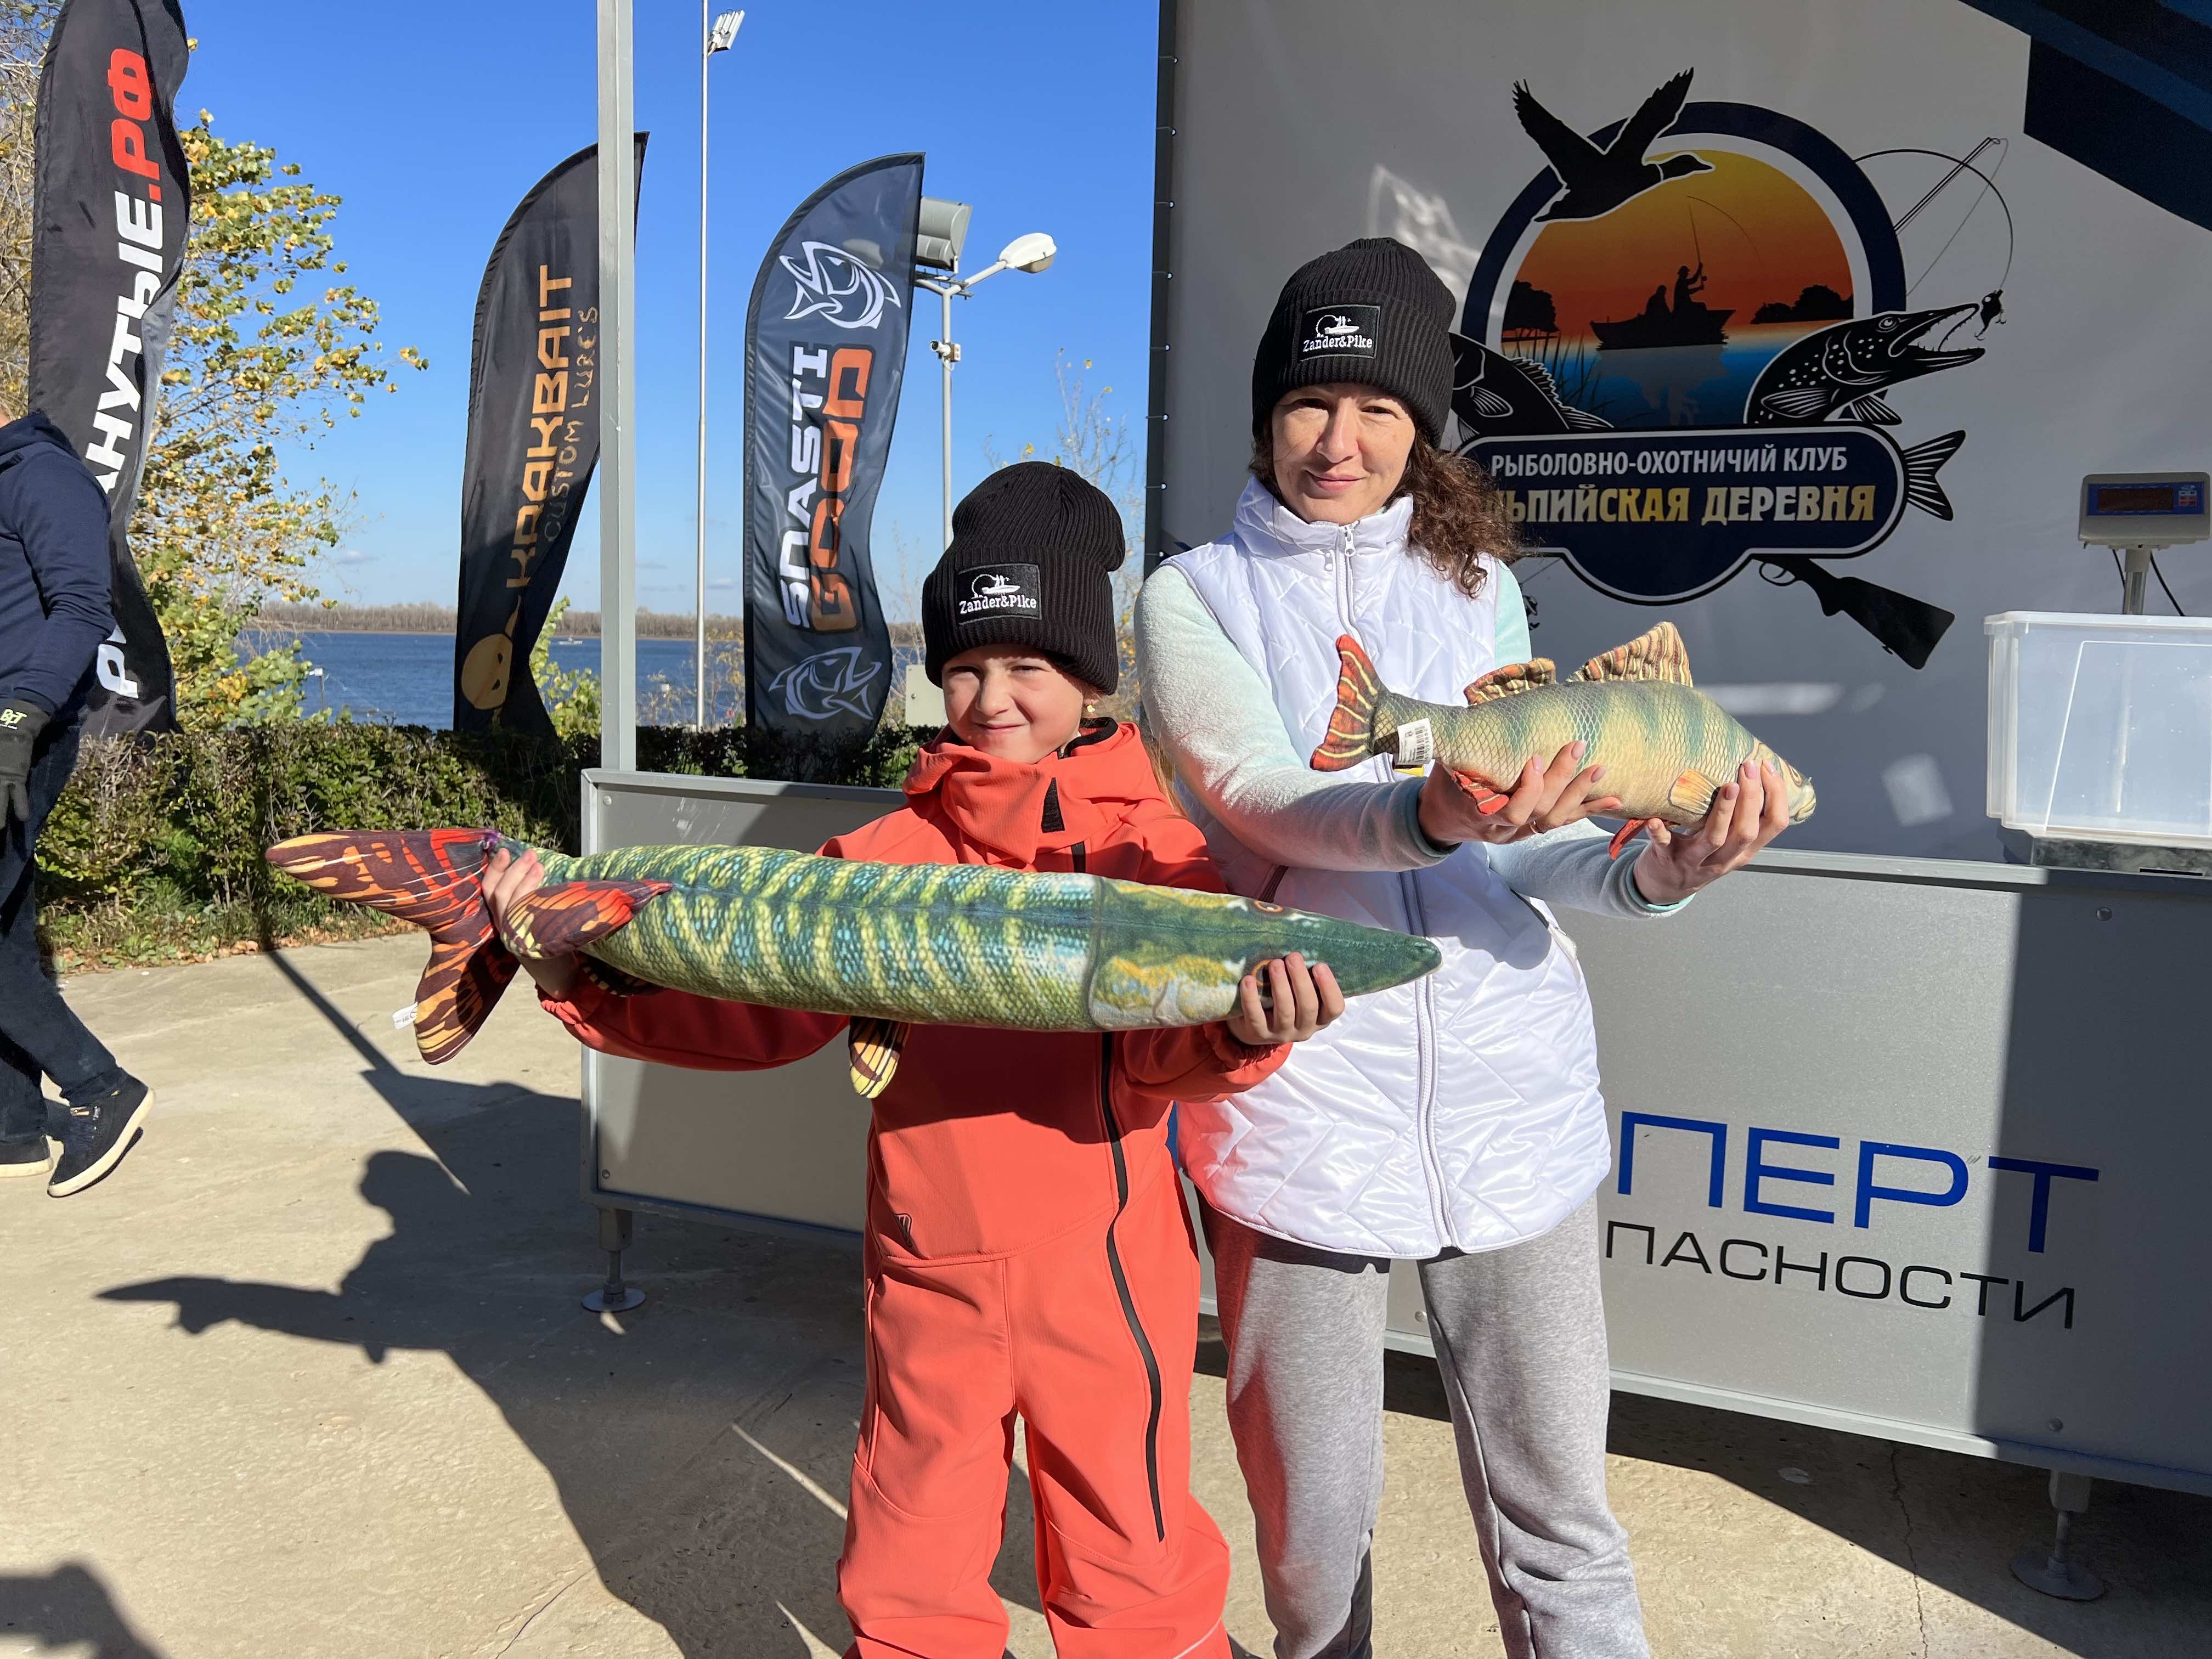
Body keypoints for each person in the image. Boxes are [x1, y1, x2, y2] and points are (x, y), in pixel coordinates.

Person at [484, 462, 1345, 1659]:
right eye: (965, 667)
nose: (992, 698)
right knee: (910, 1548)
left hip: (1107, 1270)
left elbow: (1161, 1058)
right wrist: (576, 976)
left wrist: (1241, 1033)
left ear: (1090, 677)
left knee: (1132, 1548)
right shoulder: (881, 854)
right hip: (927, 1263)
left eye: (1027, 665)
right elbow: (756, 1016)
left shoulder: (1155, 857)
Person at [1135, 238, 1792, 1659]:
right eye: (1309, 402)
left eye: (1377, 407)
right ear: (1264, 417)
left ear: (1420, 427)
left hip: (1517, 1096)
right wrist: (1426, 810)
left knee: (1564, 1520)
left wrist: (1654, 868)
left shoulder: (1479, 583)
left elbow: (1519, 847)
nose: (1338, 440)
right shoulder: (1192, 594)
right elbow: (1257, 793)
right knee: (1313, 1543)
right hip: (1302, 1094)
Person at [0, 411, 155, 1197]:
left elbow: (84, 608)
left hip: (18, 733)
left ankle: (101, 1086)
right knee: (5, 928)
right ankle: (14, 1127)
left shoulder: (43, 475)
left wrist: (20, 718)